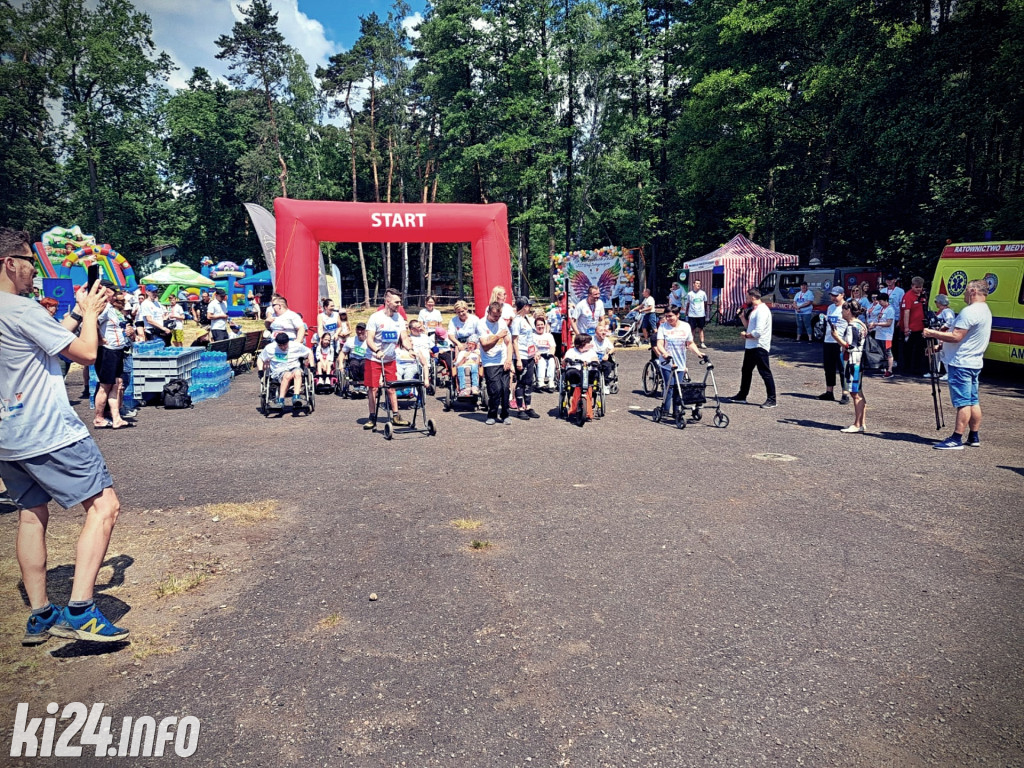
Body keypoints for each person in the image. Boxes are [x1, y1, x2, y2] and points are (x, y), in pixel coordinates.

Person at [0, 228, 129, 644]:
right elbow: (87, 354)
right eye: (29, 262)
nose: (33, 271)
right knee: (104, 506)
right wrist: (91, 314)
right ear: (9, 263)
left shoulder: (14, 313)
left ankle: (40, 615)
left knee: (31, 514)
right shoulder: (21, 308)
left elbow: (49, 344)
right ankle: (81, 609)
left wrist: (75, 312)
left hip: (9, 434)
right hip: (49, 431)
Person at [924, 279, 992, 450]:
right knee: (972, 400)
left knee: (963, 402)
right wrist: (940, 346)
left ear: (973, 291)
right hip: (974, 361)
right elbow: (966, 338)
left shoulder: (970, 311)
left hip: (961, 362)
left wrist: (932, 332)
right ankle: (974, 436)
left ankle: (956, 438)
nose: (964, 294)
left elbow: (956, 336)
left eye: (966, 290)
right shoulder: (985, 310)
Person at [364, 288, 410, 429]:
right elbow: (369, 339)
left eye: (400, 302)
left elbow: (404, 338)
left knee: (391, 388)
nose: (399, 305)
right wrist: (377, 350)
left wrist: (411, 350)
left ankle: (396, 415)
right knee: (373, 388)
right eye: (396, 302)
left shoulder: (399, 318)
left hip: (390, 358)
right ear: (387, 301)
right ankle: (372, 417)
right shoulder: (375, 318)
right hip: (374, 358)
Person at [729, 288, 777, 408]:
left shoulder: (762, 310)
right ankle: (742, 395)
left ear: (753, 297)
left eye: (747, 298)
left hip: (759, 346)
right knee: (746, 371)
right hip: (751, 346)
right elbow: (749, 326)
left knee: (765, 372)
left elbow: (758, 332)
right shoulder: (754, 310)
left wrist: (746, 335)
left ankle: (772, 399)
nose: (746, 300)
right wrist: (741, 316)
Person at [655, 306, 704, 416]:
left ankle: (676, 410)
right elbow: (659, 344)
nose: (668, 318)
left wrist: (699, 353)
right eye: (666, 316)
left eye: (671, 316)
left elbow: (690, 343)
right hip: (667, 362)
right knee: (669, 386)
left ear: (677, 315)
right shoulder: (663, 327)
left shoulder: (685, 326)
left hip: (680, 362)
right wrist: (664, 353)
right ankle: (665, 410)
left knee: (678, 387)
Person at [94, 283, 130, 429]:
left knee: (117, 383)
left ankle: (116, 418)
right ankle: (99, 417)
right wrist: (100, 338)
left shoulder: (111, 308)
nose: (114, 294)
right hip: (107, 350)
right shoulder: (102, 307)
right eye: (111, 291)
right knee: (105, 385)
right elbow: (91, 322)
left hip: (117, 350)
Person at [476, 300, 513, 425]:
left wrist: (509, 359)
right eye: (494, 316)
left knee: (505, 389)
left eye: (499, 316)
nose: (497, 318)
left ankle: (505, 414)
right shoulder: (481, 324)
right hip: (490, 361)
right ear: (488, 312)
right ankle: (492, 414)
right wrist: (497, 336)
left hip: (503, 359)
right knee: (495, 390)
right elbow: (485, 346)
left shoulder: (502, 323)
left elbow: (509, 343)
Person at [258, 332, 314, 408]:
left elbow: (309, 352)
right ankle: (281, 400)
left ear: (288, 342)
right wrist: (260, 370)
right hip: (279, 371)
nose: (283, 347)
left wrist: (312, 365)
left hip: (294, 367)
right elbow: (260, 358)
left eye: (285, 344)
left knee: (298, 372)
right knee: (287, 375)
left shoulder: (296, 346)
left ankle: (296, 397)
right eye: (280, 345)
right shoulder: (270, 348)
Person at [836, 301, 868, 433]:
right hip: (858, 360)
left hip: (853, 361)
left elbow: (850, 347)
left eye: (843, 310)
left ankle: (857, 424)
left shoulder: (852, 326)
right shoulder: (861, 324)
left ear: (848, 311)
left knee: (855, 393)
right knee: (858, 392)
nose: (842, 312)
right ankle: (862, 422)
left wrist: (836, 337)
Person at [819, 286, 850, 404]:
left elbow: (850, 325)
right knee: (829, 368)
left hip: (840, 342)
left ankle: (845, 394)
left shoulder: (847, 307)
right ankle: (829, 392)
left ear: (842, 295)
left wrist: (845, 343)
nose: (833, 298)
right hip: (828, 340)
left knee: (842, 369)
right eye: (832, 295)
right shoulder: (830, 307)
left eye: (836, 296)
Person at [511, 297, 540, 420]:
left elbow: (531, 338)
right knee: (521, 382)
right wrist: (517, 359)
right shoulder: (517, 321)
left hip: (530, 354)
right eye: (528, 305)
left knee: (529, 382)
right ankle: (520, 408)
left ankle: (528, 406)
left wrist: (535, 352)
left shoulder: (527, 319)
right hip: (521, 355)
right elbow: (514, 340)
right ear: (524, 306)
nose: (530, 308)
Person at [563, 333, 599, 420]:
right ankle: (574, 404)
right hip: (575, 372)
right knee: (571, 372)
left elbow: (595, 358)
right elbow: (563, 363)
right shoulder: (571, 351)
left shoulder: (591, 351)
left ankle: (588, 407)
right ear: (582, 344)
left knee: (595, 373)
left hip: (588, 371)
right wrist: (567, 360)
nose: (591, 344)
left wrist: (594, 362)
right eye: (588, 342)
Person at [901, 276, 927, 376]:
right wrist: (906, 327)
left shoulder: (923, 295)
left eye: (920, 287)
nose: (919, 289)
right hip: (911, 328)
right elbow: (906, 312)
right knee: (909, 349)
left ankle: (917, 369)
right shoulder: (908, 296)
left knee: (920, 349)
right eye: (916, 287)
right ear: (912, 286)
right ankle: (907, 369)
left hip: (921, 327)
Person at [928, 294, 956, 381]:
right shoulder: (941, 311)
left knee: (944, 354)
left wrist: (940, 329)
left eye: (936, 302)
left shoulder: (947, 311)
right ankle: (934, 371)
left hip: (944, 335)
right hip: (939, 335)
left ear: (939, 302)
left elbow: (949, 323)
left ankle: (948, 373)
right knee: (937, 354)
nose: (935, 303)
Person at [868, 292, 895, 377]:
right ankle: (884, 367)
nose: (879, 303)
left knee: (888, 352)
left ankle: (890, 370)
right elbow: (879, 320)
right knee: (882, 352)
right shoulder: (882, 309)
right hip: (879, 334)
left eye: (881, 301)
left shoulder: (890, 309)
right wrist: (873, 326)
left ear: (886, 300)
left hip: (887, 335)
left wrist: (876, 324)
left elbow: (888, 323)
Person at [884, 274, 904, 370]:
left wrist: (900, 319)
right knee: (884, 339)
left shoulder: (900, 291)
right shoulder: (883, 291)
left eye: (890, 279)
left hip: (895, 318)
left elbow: (901, 306)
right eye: (887, 279)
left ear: (895, 280)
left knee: (894, 340)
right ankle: (885, 359)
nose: (888, 281)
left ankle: (894, 359)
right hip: (884, 318)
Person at [533, 314, 557, 392]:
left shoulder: (549, 336)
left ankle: (551, 381)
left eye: (542, 324)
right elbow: (532, 347)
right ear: (535, 326)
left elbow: (552, 346)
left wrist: (551, 354)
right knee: (541, 362)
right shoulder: (533, 336)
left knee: (552, 361)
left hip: (548, 354)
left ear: (544, 325)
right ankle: (540, 381)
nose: (540, 326)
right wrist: (536, 354)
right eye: (538, 325)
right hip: (538, 355)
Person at [593, 317, 616, 394]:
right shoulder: (592, 340)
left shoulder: (606, 340)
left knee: (608, 366)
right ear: (596, 333)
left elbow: (612, 349)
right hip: (593, 359)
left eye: (604, 331)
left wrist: (607, 354)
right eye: (600, 331)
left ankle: (605, 384)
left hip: (603, 359)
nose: (603, 332)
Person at [684, 279, 709, 348]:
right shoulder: (690, 294)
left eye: (699, 283)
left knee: (701, 329)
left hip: (701, 314)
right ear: (693, 284)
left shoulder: (703, 293)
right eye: (697, 283)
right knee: (692, 329)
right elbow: (688, 304)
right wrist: (686, 312)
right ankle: (691, 343)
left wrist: (705, 311)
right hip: (692, 314)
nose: (698, 285)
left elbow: (705, 303)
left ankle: (702, 343)